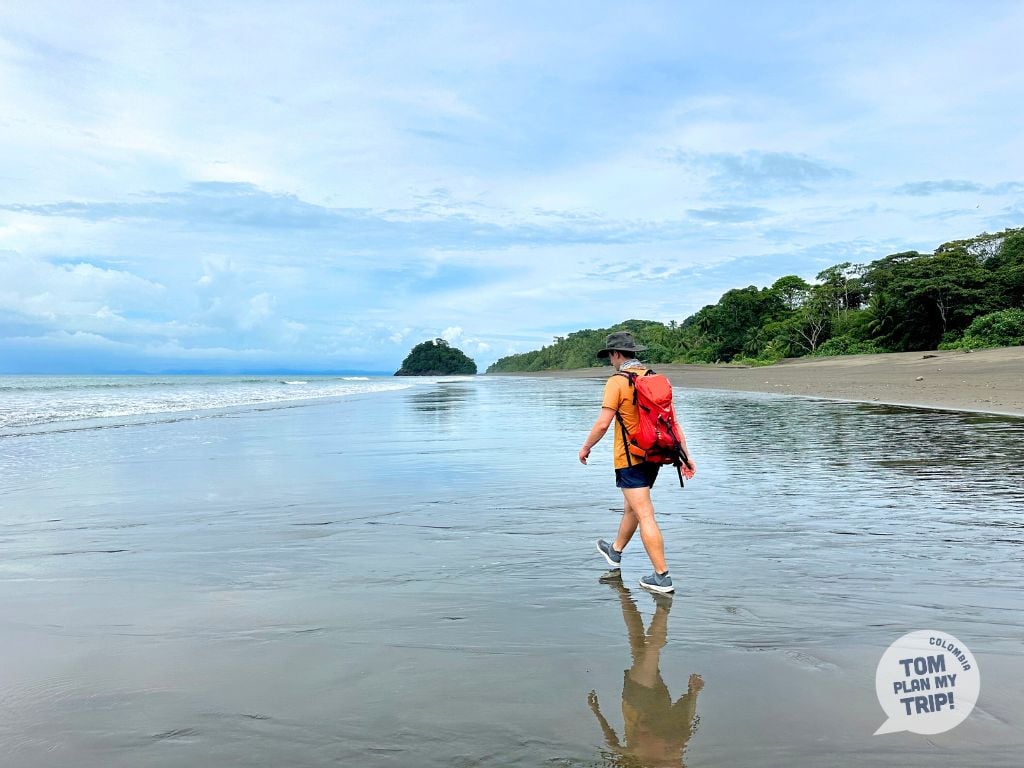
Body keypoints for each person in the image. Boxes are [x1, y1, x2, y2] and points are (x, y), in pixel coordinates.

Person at [578, 331, 695, 594]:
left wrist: (586, 447)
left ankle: (662, 576)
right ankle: (615, 551)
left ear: (617, 354)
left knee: (644, 513)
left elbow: (602, 423)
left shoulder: (617, 382)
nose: (611, 360)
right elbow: (672, 423)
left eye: (610, 355)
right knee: (632, 507)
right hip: (654, 455)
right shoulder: (655, 379)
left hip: (629, 457)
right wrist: (686, 457)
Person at [588, 577, 703, 767]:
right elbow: (683, 729)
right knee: (638, 645)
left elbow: (613, 744)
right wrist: (692, 695)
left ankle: (663, 604)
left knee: (652, 650)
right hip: (660, 702)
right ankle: (624, 595)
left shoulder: (638, 756)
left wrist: (597, 712)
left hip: (637, 704)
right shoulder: (671, 757)